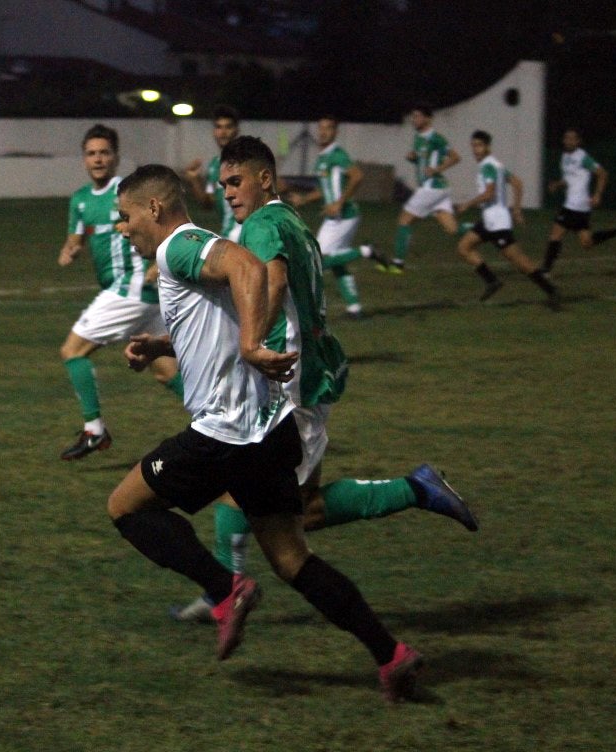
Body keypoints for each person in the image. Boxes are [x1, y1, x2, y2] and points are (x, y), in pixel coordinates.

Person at [111, 163, 425, 703]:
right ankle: (391, 654)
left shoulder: (175, 247)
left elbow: (248, 267)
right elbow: (223, 311)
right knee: (291, 559)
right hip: (269, 429)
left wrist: (255, 345)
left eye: (124, 217)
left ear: (154, 209)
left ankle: (224, 589)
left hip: (224, 435)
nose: (122, 228)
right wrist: (161, 346)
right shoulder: (200, 244)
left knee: (126, 507)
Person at [168, 135, 477, 625]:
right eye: (221, 184)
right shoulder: (291, 219)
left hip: (291, 382)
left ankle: (225, 593)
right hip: (311, 369)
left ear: (264, 178)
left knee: (244, 495)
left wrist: (250, 345)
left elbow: (273, 282)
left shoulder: (264, 224)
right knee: (299, 505)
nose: (227, 192)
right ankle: (416, 490)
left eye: (235, 181)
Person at [57, 124, 184, 460]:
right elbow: (76, 238)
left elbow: (162, 224)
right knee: (165, 369)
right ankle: (221, 420)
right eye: (91, 153)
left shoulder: (126, 193)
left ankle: (94, 430)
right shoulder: (81, 200)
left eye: (104, 152)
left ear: (115, 158)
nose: (98, 159)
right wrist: (70, 249)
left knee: (73, 351)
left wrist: (159, 261)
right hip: (142, 296)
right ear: (84, 159)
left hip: (130, 288)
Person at [287, 115, 389, 319]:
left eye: (329, 128)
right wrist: (305, 199)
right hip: (333, 218)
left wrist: (339, 203)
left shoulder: (337, 154)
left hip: (345, 215)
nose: (324, 132)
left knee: (320, 261)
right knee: (335, 261)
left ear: (335, 132)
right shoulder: (323, 158)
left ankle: (366, 250)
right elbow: (324, 189)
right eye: (321, 128)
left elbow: (357, 175)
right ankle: (354, 308)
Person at [455, 131, 560, 307]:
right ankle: (492, 281)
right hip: (489, 220)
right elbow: (518, 183)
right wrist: (517, 209)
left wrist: (467, 204)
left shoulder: (488, 166)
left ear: (487, 147)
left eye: (479, 145)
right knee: (463, 247)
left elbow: (489, 194)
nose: (475, 150)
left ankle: (551, 290)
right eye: (473, 145)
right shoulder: (497, 165)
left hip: (497, 223)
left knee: (519, 262)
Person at [541, 128, 616, 273]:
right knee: (587, 242)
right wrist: (558, 184)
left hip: (576, 205)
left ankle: (545, 271)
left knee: (555, 235)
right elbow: (570, 179)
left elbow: (602, 174)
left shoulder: (583, 157)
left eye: (572, 138)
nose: (569, 140)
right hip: (578, 207)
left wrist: (597, 194)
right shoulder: (564, 157)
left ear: (578, 141)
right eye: (566, 138)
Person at [382, 105, 462, 273]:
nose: (414, 119)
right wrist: (413, 158)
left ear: (428, 118)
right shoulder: (418, 138)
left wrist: (437, 169)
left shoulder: (436, 138)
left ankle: (397, 264)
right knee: (452, 229)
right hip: (438, 189)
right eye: (413, 116)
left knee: (404, 220)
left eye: (417, 116)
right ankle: (486, 229)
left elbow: (456, 157)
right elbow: (423, 161)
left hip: (431, 188)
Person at [183, 104, 242, 241]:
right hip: (228, 234)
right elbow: (208, 203)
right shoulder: (215, 165)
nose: (223, 132)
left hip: (244, 236)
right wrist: (194, 180)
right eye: (219, 127)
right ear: (214, 131)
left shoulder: (245, 161)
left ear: (236, 130)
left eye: (228, 127)